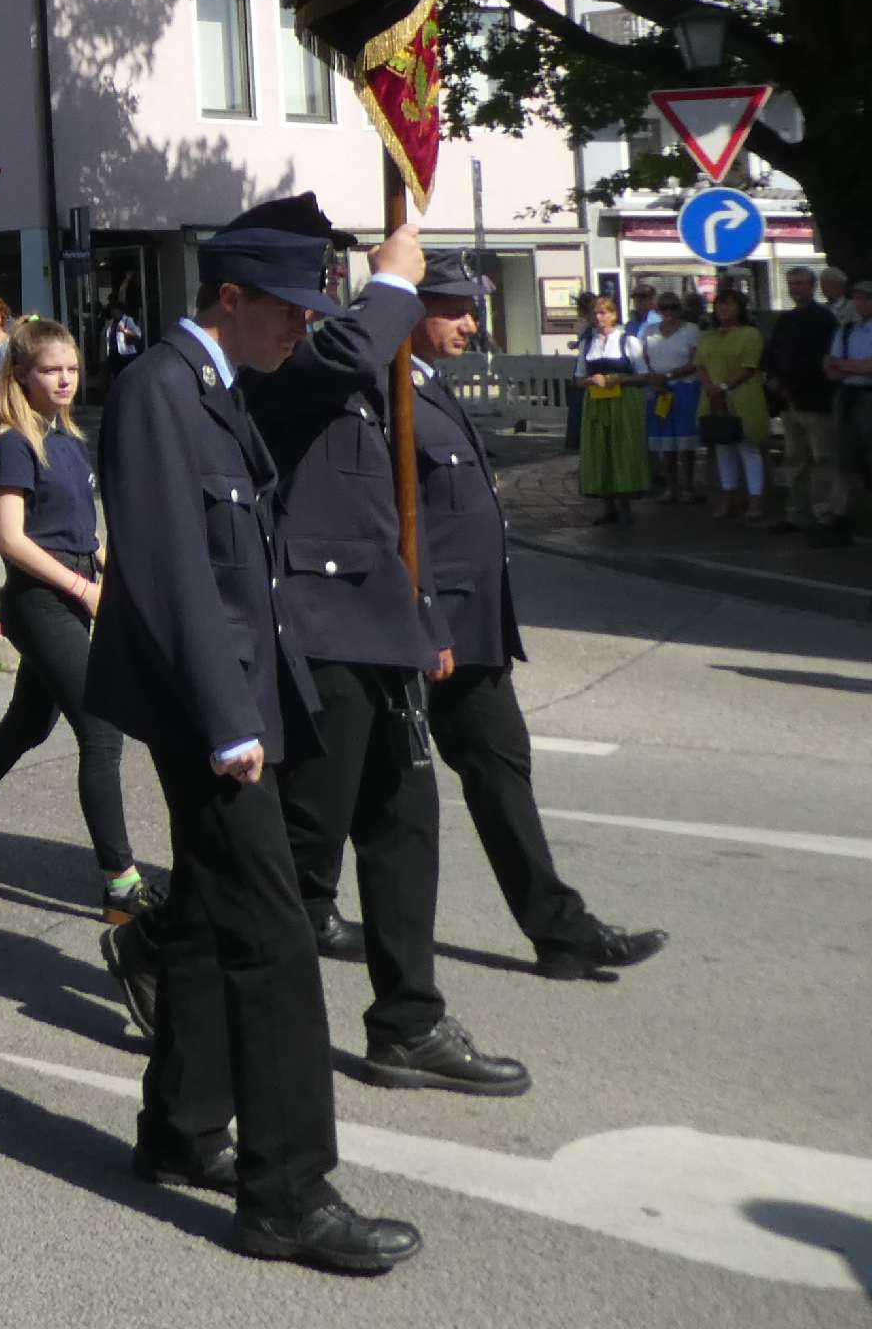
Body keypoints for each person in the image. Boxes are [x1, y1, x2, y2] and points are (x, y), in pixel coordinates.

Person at [89, 207, 424, 1276]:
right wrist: (228, 718)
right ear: (228, 299)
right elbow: (168, 571)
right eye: (287, 311)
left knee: (203, 916)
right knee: (275, 942)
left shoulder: (214, 385)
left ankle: (182, 1128)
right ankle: (286, 1194)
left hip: (240, 698)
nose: (301, 328)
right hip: (211, 711)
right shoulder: (160, 389)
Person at [249, 222, 530, 1098]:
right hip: (324, 632)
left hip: (385, 631)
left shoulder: (374, 371)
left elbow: (399, 515)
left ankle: (408, 1023)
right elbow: (347, 351)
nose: (311, 302)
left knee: (406, 827)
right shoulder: (287, 367)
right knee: (301, 843)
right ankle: (164, 948)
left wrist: (425, 617)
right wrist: (394, 285)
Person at [397, 256, 669, 980]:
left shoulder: (429, 385)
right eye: (454, 309)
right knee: (348, 797)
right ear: (409, 310)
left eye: (472, 308)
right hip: (420, 633)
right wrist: (423, 618)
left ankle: (561, 931)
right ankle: (214, 928)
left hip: (472, 631)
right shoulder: (387, 392)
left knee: (502, 768)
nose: (470, 323)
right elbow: (385, 523)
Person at [0, 315, 150, 923]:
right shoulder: (14, 442)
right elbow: (11, 539)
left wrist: (117, 575)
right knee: (102, 729)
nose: (65, 379)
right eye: (51, 370)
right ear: (22, 374)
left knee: (26, 725)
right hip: (39, 603)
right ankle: (121, 884)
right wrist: (83, 588)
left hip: (74, 595)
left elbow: (80, 533)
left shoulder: (66, 436)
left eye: (72, 368)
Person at [767, 267, 841, 532]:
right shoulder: (785, 320)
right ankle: (797, 514)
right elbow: (772, 353)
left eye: (800, 283)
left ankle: (824, 514)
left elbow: (822, 359)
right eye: (791, 283)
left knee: (822, 458)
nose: (795, 288)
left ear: (812, 286)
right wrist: (775, 380)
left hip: (815, 399)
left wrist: (793, 384)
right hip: (788, 401)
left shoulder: (825, 319)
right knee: (794, 459)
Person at [572, 292, 651, 526]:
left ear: (613, 315)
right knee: (599, 451)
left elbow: (643, 375)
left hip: (623, 403)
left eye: (603, 313)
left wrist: (619, 379)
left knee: (623, 449)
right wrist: (591, 380)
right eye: (595, 313)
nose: (598, 317)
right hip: (596, 403)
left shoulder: (628, 341)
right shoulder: (587, 344)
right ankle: (607, 506)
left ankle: (625, 505)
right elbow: (578, 379)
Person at [695, 283, 770, 520]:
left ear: (740, 308)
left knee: (748, 448)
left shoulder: (750, 334)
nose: (723, 309)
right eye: (720, 304)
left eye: (729, 304)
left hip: (742, 395)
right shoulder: (708, 335)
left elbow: (749, 367)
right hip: (713, 397)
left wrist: (725, 387)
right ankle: (728, 498)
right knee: (723, 447)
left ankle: (756, 501)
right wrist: (710, 386)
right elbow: (700, 364)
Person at [640, 290, 705, 503]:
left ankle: (688, 486)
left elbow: (695, 362)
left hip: (685, 388)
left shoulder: (691, 330)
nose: (669, 311)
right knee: (664, 442)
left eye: (674, 307)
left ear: (680, 309)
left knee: (685, 443)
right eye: (664, 307)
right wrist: (654, 380)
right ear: (657, 310)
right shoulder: (649, 331)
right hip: (658, 391)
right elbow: (643, 358)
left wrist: (669, 376)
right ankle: (671, 486)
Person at [824, 272, 872, 549]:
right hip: (847, 396)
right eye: (858, 298)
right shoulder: (846, 331)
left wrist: (844, 365)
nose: (862, 303)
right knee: (844, 458)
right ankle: (840, 519)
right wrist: (854, 367)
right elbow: (830, 369)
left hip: (867, 395)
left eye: (867, 298)